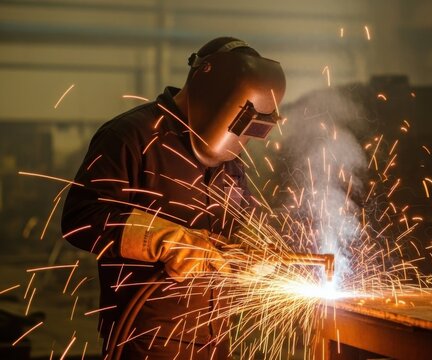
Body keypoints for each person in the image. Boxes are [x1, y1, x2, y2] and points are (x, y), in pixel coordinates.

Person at [61, 37, 286, 359]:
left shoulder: (228, 157)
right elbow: (81, 219)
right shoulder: (131, 135)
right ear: (214, 92)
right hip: (144, 336)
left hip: (214, 335)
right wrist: (167, 240)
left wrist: (254, 247)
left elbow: (241, 220)